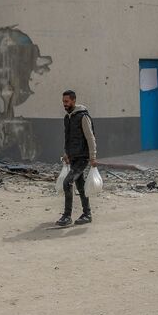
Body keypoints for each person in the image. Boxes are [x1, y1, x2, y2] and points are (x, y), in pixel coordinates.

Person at [57, 90, 98, 226]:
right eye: (63, 101)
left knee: (67, 183)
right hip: (73, 157)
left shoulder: (83, 117)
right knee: (80, 186)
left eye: (67, 101)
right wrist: (66, 153)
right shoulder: (67, 118)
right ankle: (87, 214)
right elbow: (67, 138)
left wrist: (93, 156)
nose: (64, 104)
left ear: (74, 101)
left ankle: (67, 216)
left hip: (82, 157)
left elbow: (90, 137)